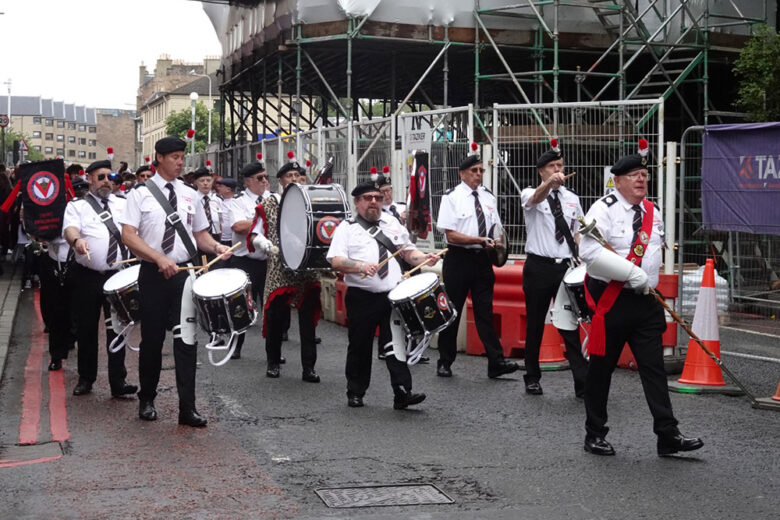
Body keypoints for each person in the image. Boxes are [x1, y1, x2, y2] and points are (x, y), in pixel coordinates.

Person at [579, 141, 703, 457]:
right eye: (634, 175)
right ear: (617, 180)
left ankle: (667, 433)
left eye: (644, 174)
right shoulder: (602, 209)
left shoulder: (652, 211)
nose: (641, 180)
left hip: (646, 300)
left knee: (653, 367)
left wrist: (645, 279)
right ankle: (594, 433)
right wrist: (629, 273)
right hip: (612, 300)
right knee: (602, 369)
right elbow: (590, 253)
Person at [119, 136, 232, 427]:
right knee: (153, 339)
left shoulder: (190, 193)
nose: (180, 162)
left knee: (187, 340)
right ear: (159, 158)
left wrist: (216, 247)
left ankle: (187, 408)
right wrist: (158, 258)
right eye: (174, 157)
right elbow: (129, 235)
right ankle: (147, 398)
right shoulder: (140, 193)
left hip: (184, 273)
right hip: (153, 273)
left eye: (182, 156)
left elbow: (199, 235)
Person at [327, 180, 439, 409]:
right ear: (357, 202)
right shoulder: (346, 228)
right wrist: (359, 266)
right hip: (362, 296)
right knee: (360, 345)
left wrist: (424, 258)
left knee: (396, 343)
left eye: (377, 198)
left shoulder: (392, 223)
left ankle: (402, 392)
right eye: (368, 198)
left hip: (393, 295)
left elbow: (408, 253)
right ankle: (355, 391)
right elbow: (335, 260)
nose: (374, 202)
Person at [434, 152, 520, 378]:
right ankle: (445, 360)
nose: (479, 174)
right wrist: (479, 240)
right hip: (458, 259)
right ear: (462, 173)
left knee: (485, 312)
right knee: (452, 311)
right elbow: (451, 235)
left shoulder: (488, 197)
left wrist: (498, 244)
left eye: (481, 170)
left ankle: (496, 362)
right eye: (474, 170)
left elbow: (496, 229)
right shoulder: (451, 197)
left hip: (483, 260)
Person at [62, 159, 137, 397]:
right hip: (88, 276)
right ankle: (86, 378)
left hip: (118, 275)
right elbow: (70, 229)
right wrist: (77, 241)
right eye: (101, 177)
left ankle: (118, 382)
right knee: (86, 329)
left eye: (110, 177)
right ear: (90, 179)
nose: (107, 181)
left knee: (118, 328)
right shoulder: (77, 206)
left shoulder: (124, 203)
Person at [520, 141, 587, 396]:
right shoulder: (531, 193)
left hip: (564, 268)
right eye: (552, 166)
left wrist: (582, 253)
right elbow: (536, 198)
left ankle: (581, 381)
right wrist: (549, 185)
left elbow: (577, 231)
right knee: (535, 323)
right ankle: (532, 376)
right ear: (541, 171)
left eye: (560, 165)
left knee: (569, 322)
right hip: (539, 265)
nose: (558, 170)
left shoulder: (572, 198)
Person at [248, 156, 321, 381]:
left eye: (298, 176)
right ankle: (273, 362)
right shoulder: (270, 204)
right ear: (280, 181)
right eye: (289, 176)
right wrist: (266, 245)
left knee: (308, 322)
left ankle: (309, 367)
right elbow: (255, 233)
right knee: (276, 318)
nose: (294, 179)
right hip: (279, 266)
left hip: (306, 267)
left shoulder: (313, 202)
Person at [222, 158, 272, 358]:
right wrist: (263, 219)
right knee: (240, 306)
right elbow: (238, 227)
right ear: (248, 181)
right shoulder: (239, 202)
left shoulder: (272, 198)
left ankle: (273, 352)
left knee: (270, 307)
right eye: (259, 178)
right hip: (244, 261)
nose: (264, 181)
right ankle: (236, 346)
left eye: (265, 177)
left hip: (268, 260)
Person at [192, 166, 222, 246]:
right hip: (197, 238)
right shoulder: (192, 199)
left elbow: (221, 223)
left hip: (216, 238)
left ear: (212, 181)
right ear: (196, 182)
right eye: (202, 180)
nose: (205, 183)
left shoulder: (218, 199)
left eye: (208, 180)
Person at [214, 177, 237, 248]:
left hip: (230, 240)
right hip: (221, 239)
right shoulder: (219, 201)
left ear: (228, 189)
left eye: (221, 187)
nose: (219, 188)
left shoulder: (235, 203)